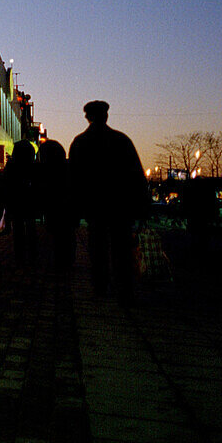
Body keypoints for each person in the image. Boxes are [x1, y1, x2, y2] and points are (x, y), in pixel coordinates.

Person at [68, 100, 148, 305]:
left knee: (98, 246)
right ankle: (124, 286)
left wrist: (75, 209)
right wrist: (141, 207)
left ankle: (100, 285)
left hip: (95, 205)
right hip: (120, 204)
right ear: (106, 116)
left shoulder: (80, 142)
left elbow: (74, 179)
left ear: (88, 117)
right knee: (121, 247)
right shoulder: (121, 140)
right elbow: (136, 176)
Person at [37, 139, 77, 272]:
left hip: (55, 209)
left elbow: (42, 191)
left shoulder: (45, 171)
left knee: (57, 236)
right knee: (68, 235)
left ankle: (60, 262)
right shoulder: (69, 167)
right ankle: (67, 261)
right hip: (68, 209)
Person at [0, 140, 38, 265]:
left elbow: (5, 185)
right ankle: (32, 254)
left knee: (18, 229)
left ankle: (20, 255)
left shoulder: (11, 165)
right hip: (29, 202)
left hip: (15, 202)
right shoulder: (32, 165)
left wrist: (5, 202)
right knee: (30, 226)